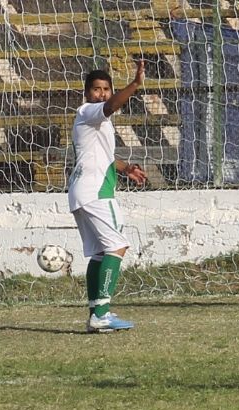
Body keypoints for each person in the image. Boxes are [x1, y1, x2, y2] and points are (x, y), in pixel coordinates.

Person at [69, 61, 148, 333]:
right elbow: (111, 106)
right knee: (117, 245)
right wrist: (135, 85)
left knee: (101, 253)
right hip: (96, 192)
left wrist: (125, 168)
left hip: (82, 192)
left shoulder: (95, 122)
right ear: (86, 93)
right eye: (96, 89)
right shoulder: (88, 111)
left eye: (106, 89)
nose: (101, 93)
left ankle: (96, 312)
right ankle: (102, 313)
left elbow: (101, 156)